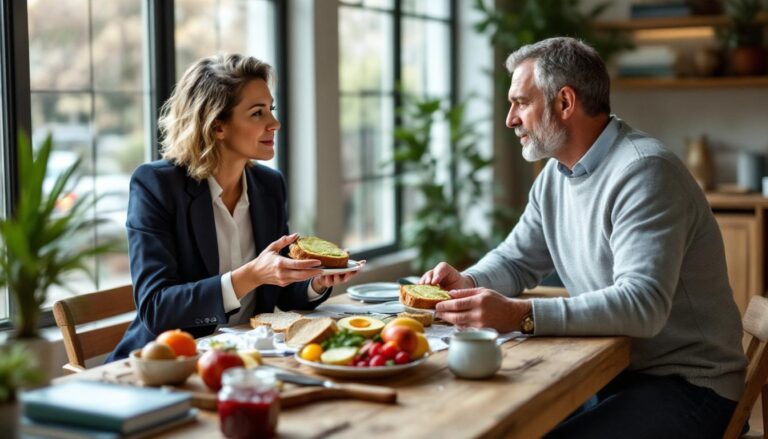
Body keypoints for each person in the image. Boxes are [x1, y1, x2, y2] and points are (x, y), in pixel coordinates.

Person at [419, 37, 746, 438]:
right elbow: (516, 260)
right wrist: (467, 282)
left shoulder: (644, 172)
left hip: (688, 385)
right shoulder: (556, 176)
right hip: (616, 371)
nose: (510, 119)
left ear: (564, 102)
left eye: (520, 103)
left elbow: (642, 305)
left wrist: (521, 315)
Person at [108, 54, 360, 361]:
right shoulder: (156, 185)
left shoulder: (269, 185)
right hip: (168, 363)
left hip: (250, 359)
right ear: (217, 126)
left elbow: (280, 292)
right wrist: (250, 275)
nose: (275, 124)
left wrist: (316, 282)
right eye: (257, 113)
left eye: (271, 109)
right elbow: (157, 308)